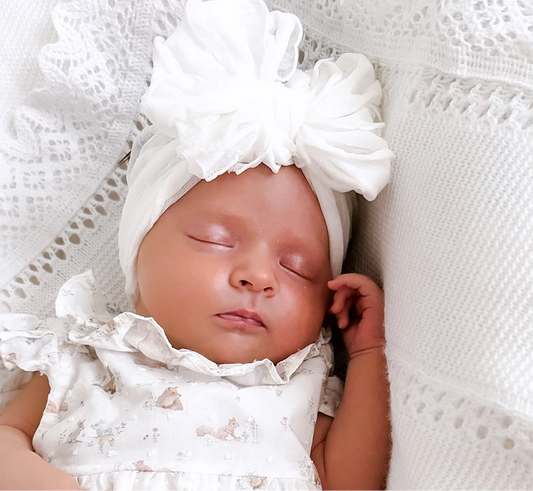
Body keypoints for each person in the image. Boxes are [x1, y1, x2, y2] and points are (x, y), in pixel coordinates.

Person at [0, 0, 393, 490]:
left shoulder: (298, 388)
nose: (259, 276)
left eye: (297, 268)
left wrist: (369, 355)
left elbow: (351, 482)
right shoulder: (86, 357)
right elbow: (7, 435)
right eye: (215, 239)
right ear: (140, 249)